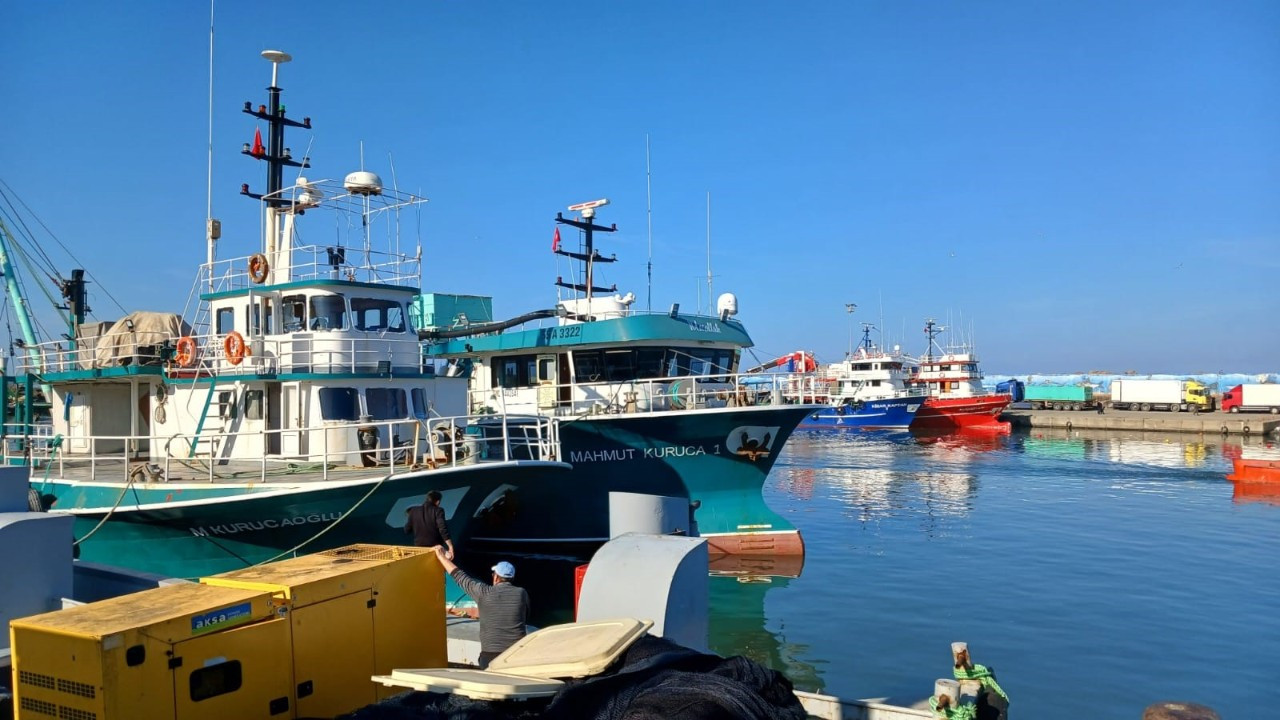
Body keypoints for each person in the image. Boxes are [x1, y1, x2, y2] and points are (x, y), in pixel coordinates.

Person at [434, 548, 529, 668]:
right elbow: (524, 617)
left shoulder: (483, 592)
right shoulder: (521, 593)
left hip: (490, 656)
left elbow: (459, 576)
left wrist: (441, 557)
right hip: (516, 654)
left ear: (495, 577)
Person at [404, 491, 454, 559]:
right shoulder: (438, 510)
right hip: (435, 550)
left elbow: (407, 530)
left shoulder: (413, 511)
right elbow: (442, 528)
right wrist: (450, 546)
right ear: (438, 502)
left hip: (420, 550)